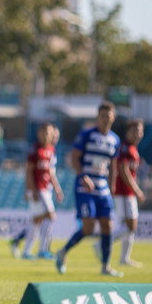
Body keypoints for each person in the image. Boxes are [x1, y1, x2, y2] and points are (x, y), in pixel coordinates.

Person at [54, 101, 123, 277]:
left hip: (103, 188)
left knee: (107, 225)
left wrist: (112, 183)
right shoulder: (86, 135)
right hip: (85, 187)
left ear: (113, 118)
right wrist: (83, 175)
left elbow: (113, 164)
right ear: (97, 117)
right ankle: (63, 252)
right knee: (89, 228)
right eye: (102, 116)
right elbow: (74, 158)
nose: (105, 120)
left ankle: (106, 266)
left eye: (108, 116)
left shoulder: (115, 140)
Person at [8, 122, 64, 260]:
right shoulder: (34, 150)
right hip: (38, 189)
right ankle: (43, 250)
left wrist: (57, 188)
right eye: (44, 132)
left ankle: (26, 251)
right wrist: (31, 190)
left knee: (37, 221)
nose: (47, 135)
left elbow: (50, 172)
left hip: (46, 188)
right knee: (50, 217)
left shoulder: (51, 150)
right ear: (39, 133)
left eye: (49, 133)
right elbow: (28, 171)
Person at [97, 119, 145, 268]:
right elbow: (123, 170)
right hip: (124, 192)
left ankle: (124, 257)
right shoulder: (125, 148)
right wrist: (136, 189)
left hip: (127, 193)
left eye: (139, 131)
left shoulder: (133, 149)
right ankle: (101, 244)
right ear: (127, 132)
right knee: (131, 225)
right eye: (134, 130)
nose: (137, 134)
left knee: (129, 226)